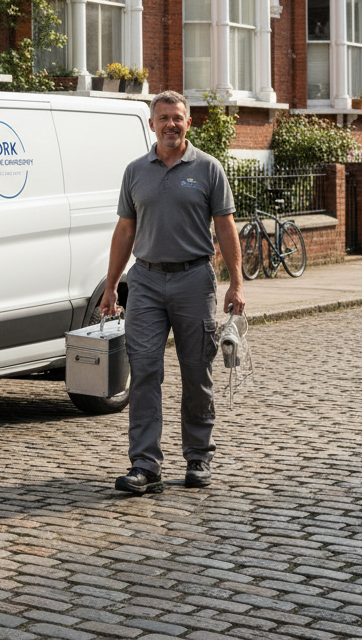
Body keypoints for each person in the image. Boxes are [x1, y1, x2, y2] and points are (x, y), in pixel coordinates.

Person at [100, 89, 244, 494]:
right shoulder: (135, 171)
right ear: (152, 124)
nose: (171, 125)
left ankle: (198, 456)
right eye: (163, 118)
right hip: (144, 281)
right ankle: (145, 464)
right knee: (145, 371)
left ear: (188, 122)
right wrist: (112, 286)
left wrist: (236, 281)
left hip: (194, 281)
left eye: (177, 117)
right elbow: (125, 230)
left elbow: (225, 227)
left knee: (197, 371)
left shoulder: (209, 169)